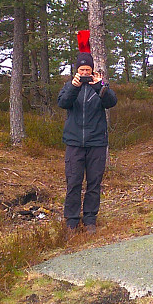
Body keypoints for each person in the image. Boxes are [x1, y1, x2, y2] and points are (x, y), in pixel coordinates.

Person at [57, 47, 117, 234]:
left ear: (93, 71)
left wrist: (99, 86)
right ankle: (71, 221)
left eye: (87, 71)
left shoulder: (100, 86)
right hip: (74, 143)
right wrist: (74, 87)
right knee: (73, 182)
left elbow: (111, 102)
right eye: (81, 71)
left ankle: (90, 219)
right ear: (76, 71)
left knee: (94, 183)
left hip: (96, 142)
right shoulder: (69, 86)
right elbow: (63, 103)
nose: (84, 74)